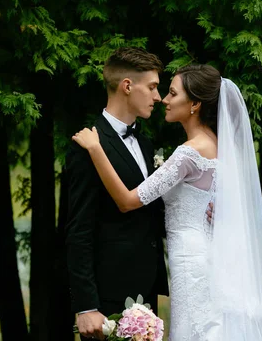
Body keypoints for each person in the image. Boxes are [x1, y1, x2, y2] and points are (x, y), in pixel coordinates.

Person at [73, 64, 262, 340]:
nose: (164, 99)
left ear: (195, 103)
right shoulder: (216, 145)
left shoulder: (189, 153)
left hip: (190, 260)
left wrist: (95, 148)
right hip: (206, 254)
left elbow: (127, 200)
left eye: (172, 93)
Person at [65, 47, 169, 340]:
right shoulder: (87, 146)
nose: (158, 97)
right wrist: (86, 305)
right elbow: (78, 230)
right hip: (107, 296)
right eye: (152, 87)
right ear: (127, 86)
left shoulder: (147, 145)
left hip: (146, 293)